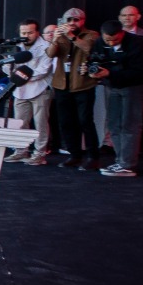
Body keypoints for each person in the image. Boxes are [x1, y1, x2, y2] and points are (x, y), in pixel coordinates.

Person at [89, 20, 143, 177]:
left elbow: (139, 72)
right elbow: (94, 59)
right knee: (113, 123)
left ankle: (127, 164)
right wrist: (92, 70)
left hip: (136, 85)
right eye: (107, 40)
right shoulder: (99, 42)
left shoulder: (138, 44)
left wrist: (110, 73)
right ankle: (120, 161)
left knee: (130, 124)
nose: (111, 43)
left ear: (122, 33)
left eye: (115, 40)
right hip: (114, 86)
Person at [45, 9, 101, 169]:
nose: (72, 23)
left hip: (83, 84)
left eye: (76, 20)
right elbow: (50, 54)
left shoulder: (91, 34)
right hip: (62, 84)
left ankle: (93, 156)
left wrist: (71, 36)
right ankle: (74, 155)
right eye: (68, 20)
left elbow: (89, 49)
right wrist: (55, 40)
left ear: (83, 21)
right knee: (66, 122)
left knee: (85, 120)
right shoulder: (60, 35)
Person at [2, 19, 55, 166]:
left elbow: (42, 71)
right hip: (20, 90)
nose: (26, 35)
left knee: (40, 123)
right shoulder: (15, 47)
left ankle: (39, 153)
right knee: (19, 123)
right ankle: (20, 151)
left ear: (37, 32)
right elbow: (6, 70)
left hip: (40, 89)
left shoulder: (46, 47)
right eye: (23, 32)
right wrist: (7, 60)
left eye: (30, 32)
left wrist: (20, 76)